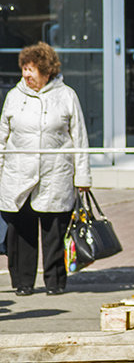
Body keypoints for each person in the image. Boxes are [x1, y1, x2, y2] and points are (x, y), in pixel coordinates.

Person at [0, 42, 91, 296]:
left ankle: (55, 282)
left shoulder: (67, 95)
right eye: (24, 69)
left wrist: (82, 176)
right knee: (21, 232)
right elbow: (2, 136)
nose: (27, 74)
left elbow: (79, 138)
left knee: (54, 231)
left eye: (32, 69)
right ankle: (23, 282)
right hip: (18, 174)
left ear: (47, 71)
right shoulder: (14, 96)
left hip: (55, 174)